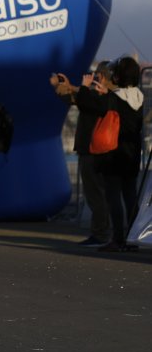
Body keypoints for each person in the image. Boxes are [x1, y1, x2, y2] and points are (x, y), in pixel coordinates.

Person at [67, 57, 144, 252]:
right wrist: (106, 93)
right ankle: (134, 237)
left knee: (113, 197)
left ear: (117, 76)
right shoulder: (138, 97)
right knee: (130, 196)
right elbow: (117, 104)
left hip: (113, 155)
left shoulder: (113, 99)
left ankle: (117, 239)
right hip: (132, 155)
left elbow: (89, 105)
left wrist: (84, 87)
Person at [50, 62, 112, 246]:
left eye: (97, 75)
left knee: (96, 193)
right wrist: (67, 87)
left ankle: (100, 234)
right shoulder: (103, 95)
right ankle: (104, 232)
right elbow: (77, 97)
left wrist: (80, 87)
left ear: (102, 76)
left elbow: (84, 100)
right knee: (100, 194)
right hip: (99, 149)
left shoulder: (102, 97)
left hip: (94, 149)